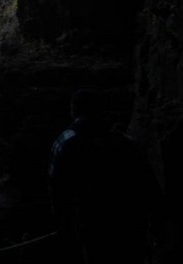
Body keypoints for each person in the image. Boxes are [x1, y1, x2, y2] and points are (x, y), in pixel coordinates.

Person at [48, 88, 164, 263]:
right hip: (128, 221)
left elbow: (57, 188)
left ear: (73, 110)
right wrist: (157, 221)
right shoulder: (123, 142)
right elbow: (147, 183)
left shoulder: (65, 142)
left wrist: (63, 225)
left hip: (90, 222)